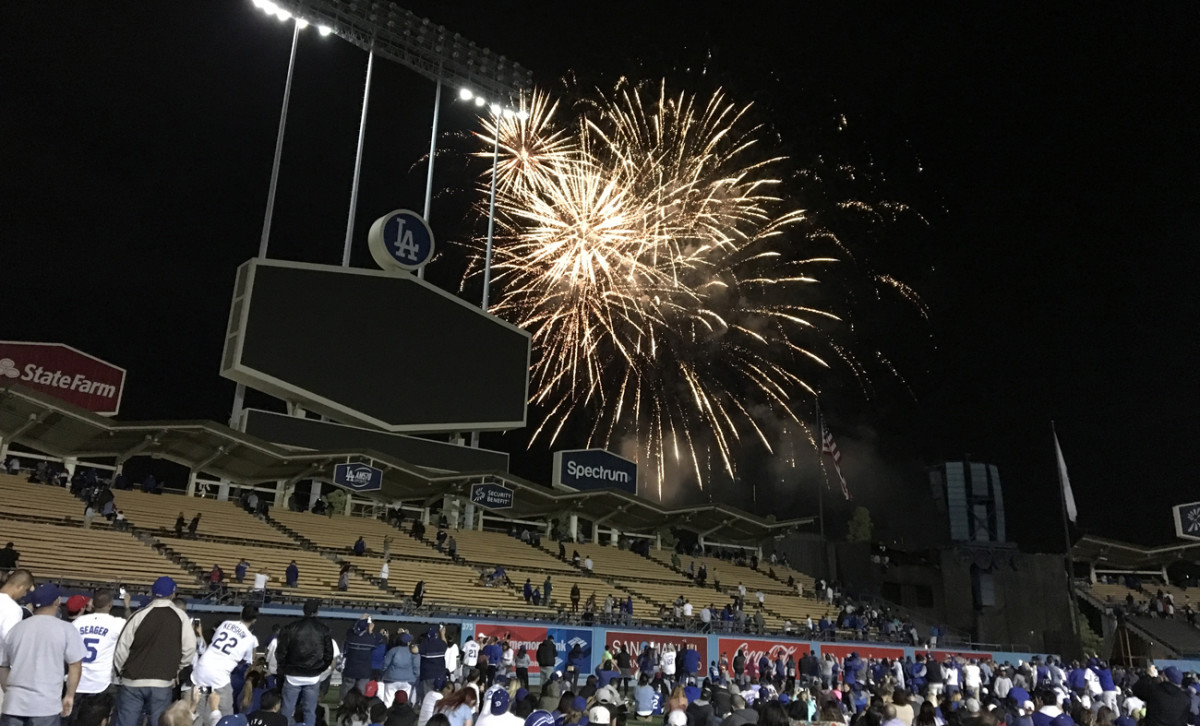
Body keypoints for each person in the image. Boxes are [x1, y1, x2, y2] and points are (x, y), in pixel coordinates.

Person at [112, 576, 196, 726]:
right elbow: (189, 649)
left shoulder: (138, 615)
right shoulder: (181, 617)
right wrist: (177, 669)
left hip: (132, 680)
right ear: (173, 593)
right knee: (161, 723)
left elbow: (121, 649)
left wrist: (121, 671)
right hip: (161, 681)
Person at [0, 583, 85, 726]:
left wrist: (9, 692)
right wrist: (69, 696)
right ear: (57, 601)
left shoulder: (16, 629)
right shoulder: (66, 629)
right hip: (45, 707)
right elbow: (75, 665)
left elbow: (3, 666)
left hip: (13, 705)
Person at [192, 605, 260, 726]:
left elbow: (214, 641)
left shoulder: (226, 623)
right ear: (255, 620)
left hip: (201, 670)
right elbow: (247, 661)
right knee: (225, 715)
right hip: (219, 677)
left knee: (199, 711)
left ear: (240, 614)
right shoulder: (250, 638)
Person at [72, 588, 132, 720]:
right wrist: (127, 606)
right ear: (110, 604)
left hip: (76, 680)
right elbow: (132, 627)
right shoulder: (116, 623)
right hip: (100, 682)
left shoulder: (78, 622)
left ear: (93, 604)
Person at [276, 599, 334, 726]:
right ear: (317, 612)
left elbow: (280, 652)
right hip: (312, 676)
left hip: (293, 675)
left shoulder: (291, 628)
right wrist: (319, 669)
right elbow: (329, 655)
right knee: (309, 711)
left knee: (287, 710)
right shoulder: (323, 630)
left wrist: (285, 668)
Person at [343, 616, 386, 699]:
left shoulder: (351, 637)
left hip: (350, 669)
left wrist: (360, 620)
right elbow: (378, 639)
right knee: (362, 693)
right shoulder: (370, 639)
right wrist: (371, 631)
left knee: (347, 692)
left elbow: (350, 630)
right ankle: (360, 707)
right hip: (364, 671)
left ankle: (345, 706)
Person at [382, 633, 420, 708]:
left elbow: (385, 665)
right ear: (408, 642)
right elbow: (416, 666)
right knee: (404, 702)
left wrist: (384, 673)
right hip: (407, 680)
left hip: (391, 678)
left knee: (388, 703)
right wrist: (415, 676)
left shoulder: (393, 650)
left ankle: (386, 718)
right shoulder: (412, 652)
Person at [417, 626, 447, 700]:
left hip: (427, 676)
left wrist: (412, 646)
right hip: (439, 676)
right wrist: (442, 634)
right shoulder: (441, 644)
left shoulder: (425, 643)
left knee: (427, 699)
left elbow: (414, 650)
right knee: (438, 699)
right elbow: (445, 644)